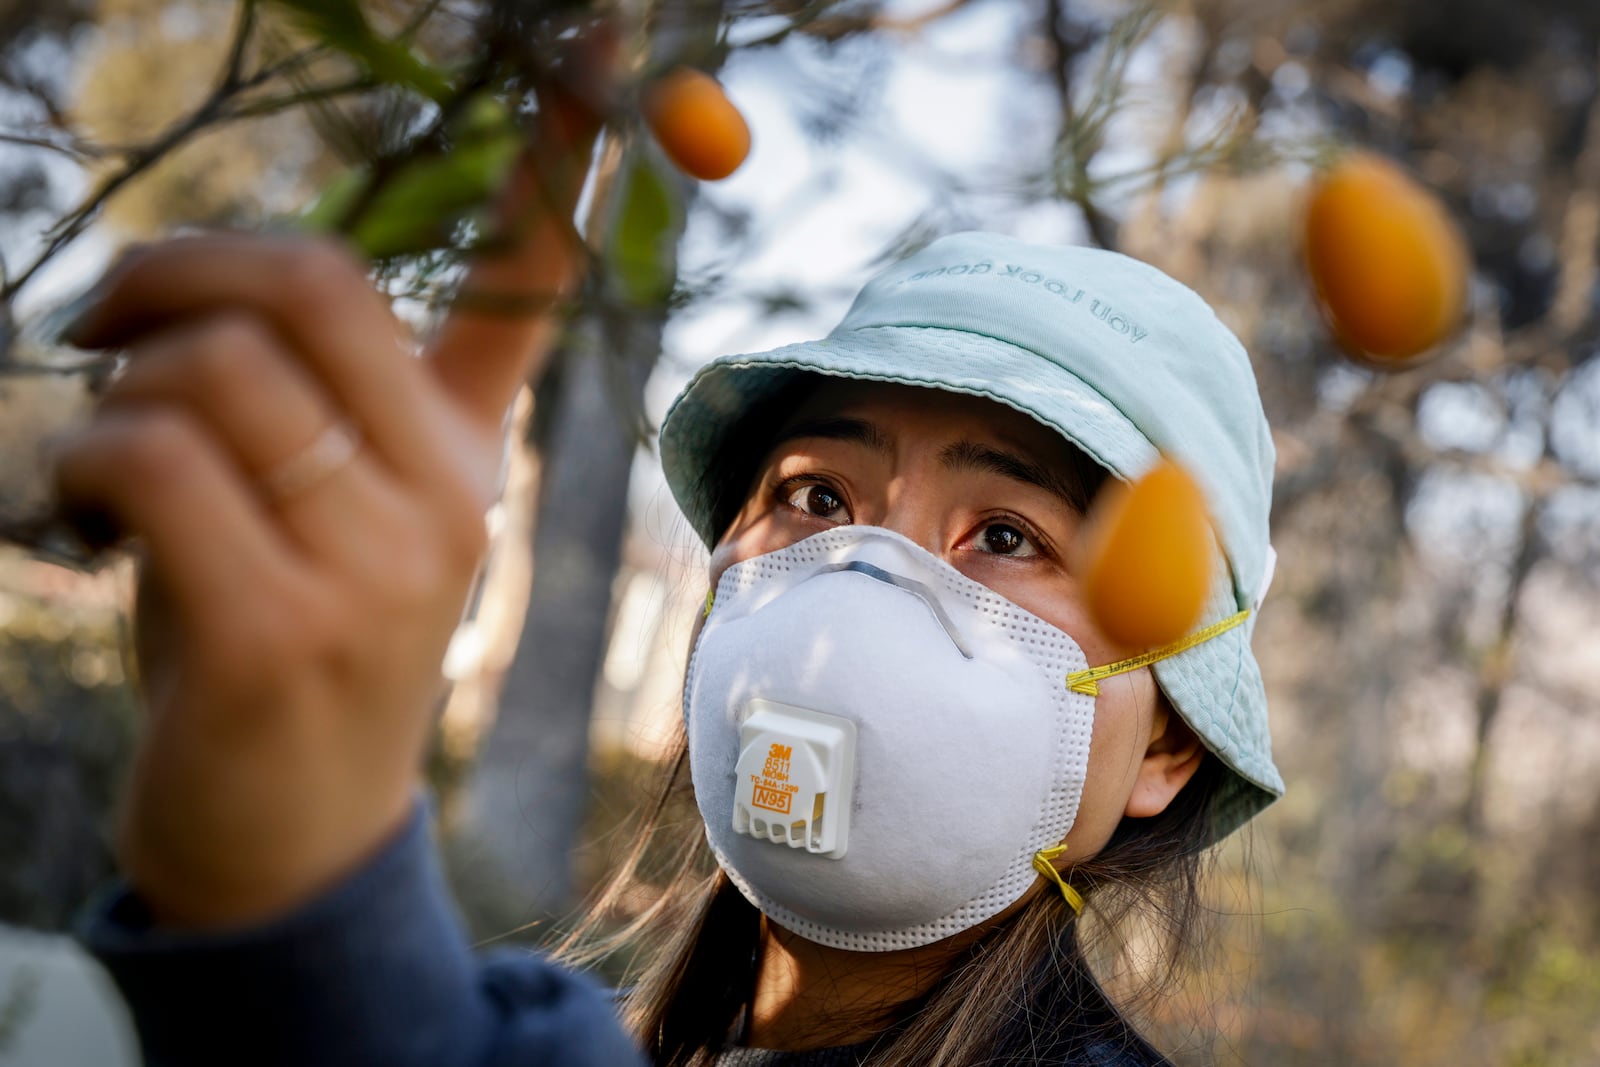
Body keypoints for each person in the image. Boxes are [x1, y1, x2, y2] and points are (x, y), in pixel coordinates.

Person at [62, 216, 1281, 1065]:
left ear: (1167, 735)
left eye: (1006, 535)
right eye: (816, 496)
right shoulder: (578, 1027)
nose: (859, 584)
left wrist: (300, 914)